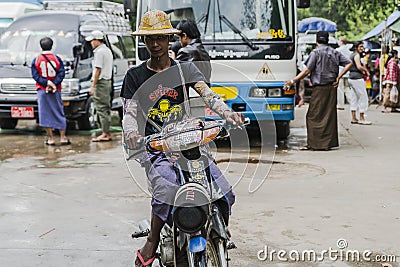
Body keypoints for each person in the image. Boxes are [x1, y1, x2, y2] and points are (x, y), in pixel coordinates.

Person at [120, 10, 244, 267]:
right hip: (155, 146)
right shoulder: (134, 76)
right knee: (166, 189)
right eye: (149, 39)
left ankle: (218, 228)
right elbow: (129, 113)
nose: (155, 44)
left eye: (161, 38)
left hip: (190, 143)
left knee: (224, 193)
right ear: (144, 41)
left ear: (169, 39)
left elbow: (208, 95)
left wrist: (227, 113)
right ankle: (153, 240)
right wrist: (131, 133)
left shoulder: (185, 69)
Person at [283, 31, 352, 151]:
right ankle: (327, 144)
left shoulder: (316, 52)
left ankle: (314, 144)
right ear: (328, 40)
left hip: (319, 88)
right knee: (328, 115)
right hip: (331, 88)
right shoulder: (334, 52)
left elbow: (307, 71)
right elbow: (349, 63)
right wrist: (339, 77)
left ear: (317, 41)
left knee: (313, 116)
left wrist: (292, 81)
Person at [31, 37, 70, 146]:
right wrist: (54, 84)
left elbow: (35, 76)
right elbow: (61, 73)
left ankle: (50, 138)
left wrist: (46, 83)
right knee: (59, 112)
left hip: (42, 90)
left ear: (41, 46)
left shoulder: (37, 59)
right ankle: (63, 137)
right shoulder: (57, 58)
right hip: (56, 90)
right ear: (52, 46)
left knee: (45, 114)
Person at [85, 30, 114, 142]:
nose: (91, 43)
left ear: (97, 40)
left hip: (101, 82)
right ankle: (105, 131)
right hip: (107, 81)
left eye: (93, 40)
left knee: (101, 108)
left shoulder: (100, 52)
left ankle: (105, 133)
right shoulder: (107, 50)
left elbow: (98, 69)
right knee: (105, 108)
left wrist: (93, 85)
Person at [175, 19, 212, 83]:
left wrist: (172, 60)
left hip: (191, 91)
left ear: (184, 36)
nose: (179, 41)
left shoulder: (185, 51)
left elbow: (175, 75)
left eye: (179, 38)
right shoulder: (204, 52)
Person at [348, 41, 372, 125]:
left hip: (351, 77)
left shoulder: (351, 55)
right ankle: (362, 118)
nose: (362, 48)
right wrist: (366, 71)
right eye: (360, 47)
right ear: (356, 47)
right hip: (357, 78)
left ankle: (353, 117)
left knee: (354, 97)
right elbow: (358, 66)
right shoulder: (357, 55)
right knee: (363, 97)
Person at [335, 37, 353, 110]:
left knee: (340, 89)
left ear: (341, 42)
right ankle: (352, 102)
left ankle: (340, 105)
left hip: (340, 72)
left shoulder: (337, 50)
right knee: (347, 88)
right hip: (348, 71)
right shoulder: (349, 51)